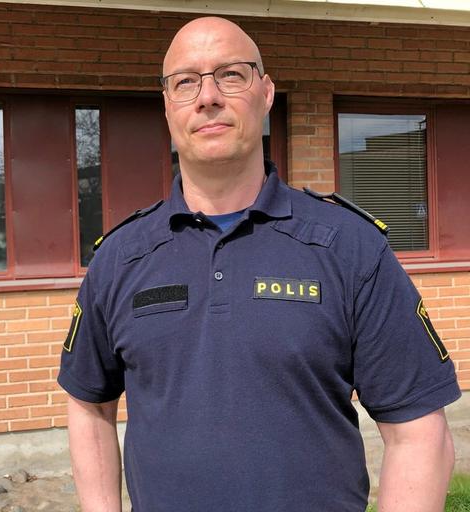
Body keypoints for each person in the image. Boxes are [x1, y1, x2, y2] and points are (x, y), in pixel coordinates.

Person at [58, 16, 461, 512]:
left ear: (266, 93)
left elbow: (418, 432)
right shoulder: (120, 257)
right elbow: (90, 405)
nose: (208, 97)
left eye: (231, 74)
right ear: (167, 106)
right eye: (185, 82)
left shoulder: (350, 248)